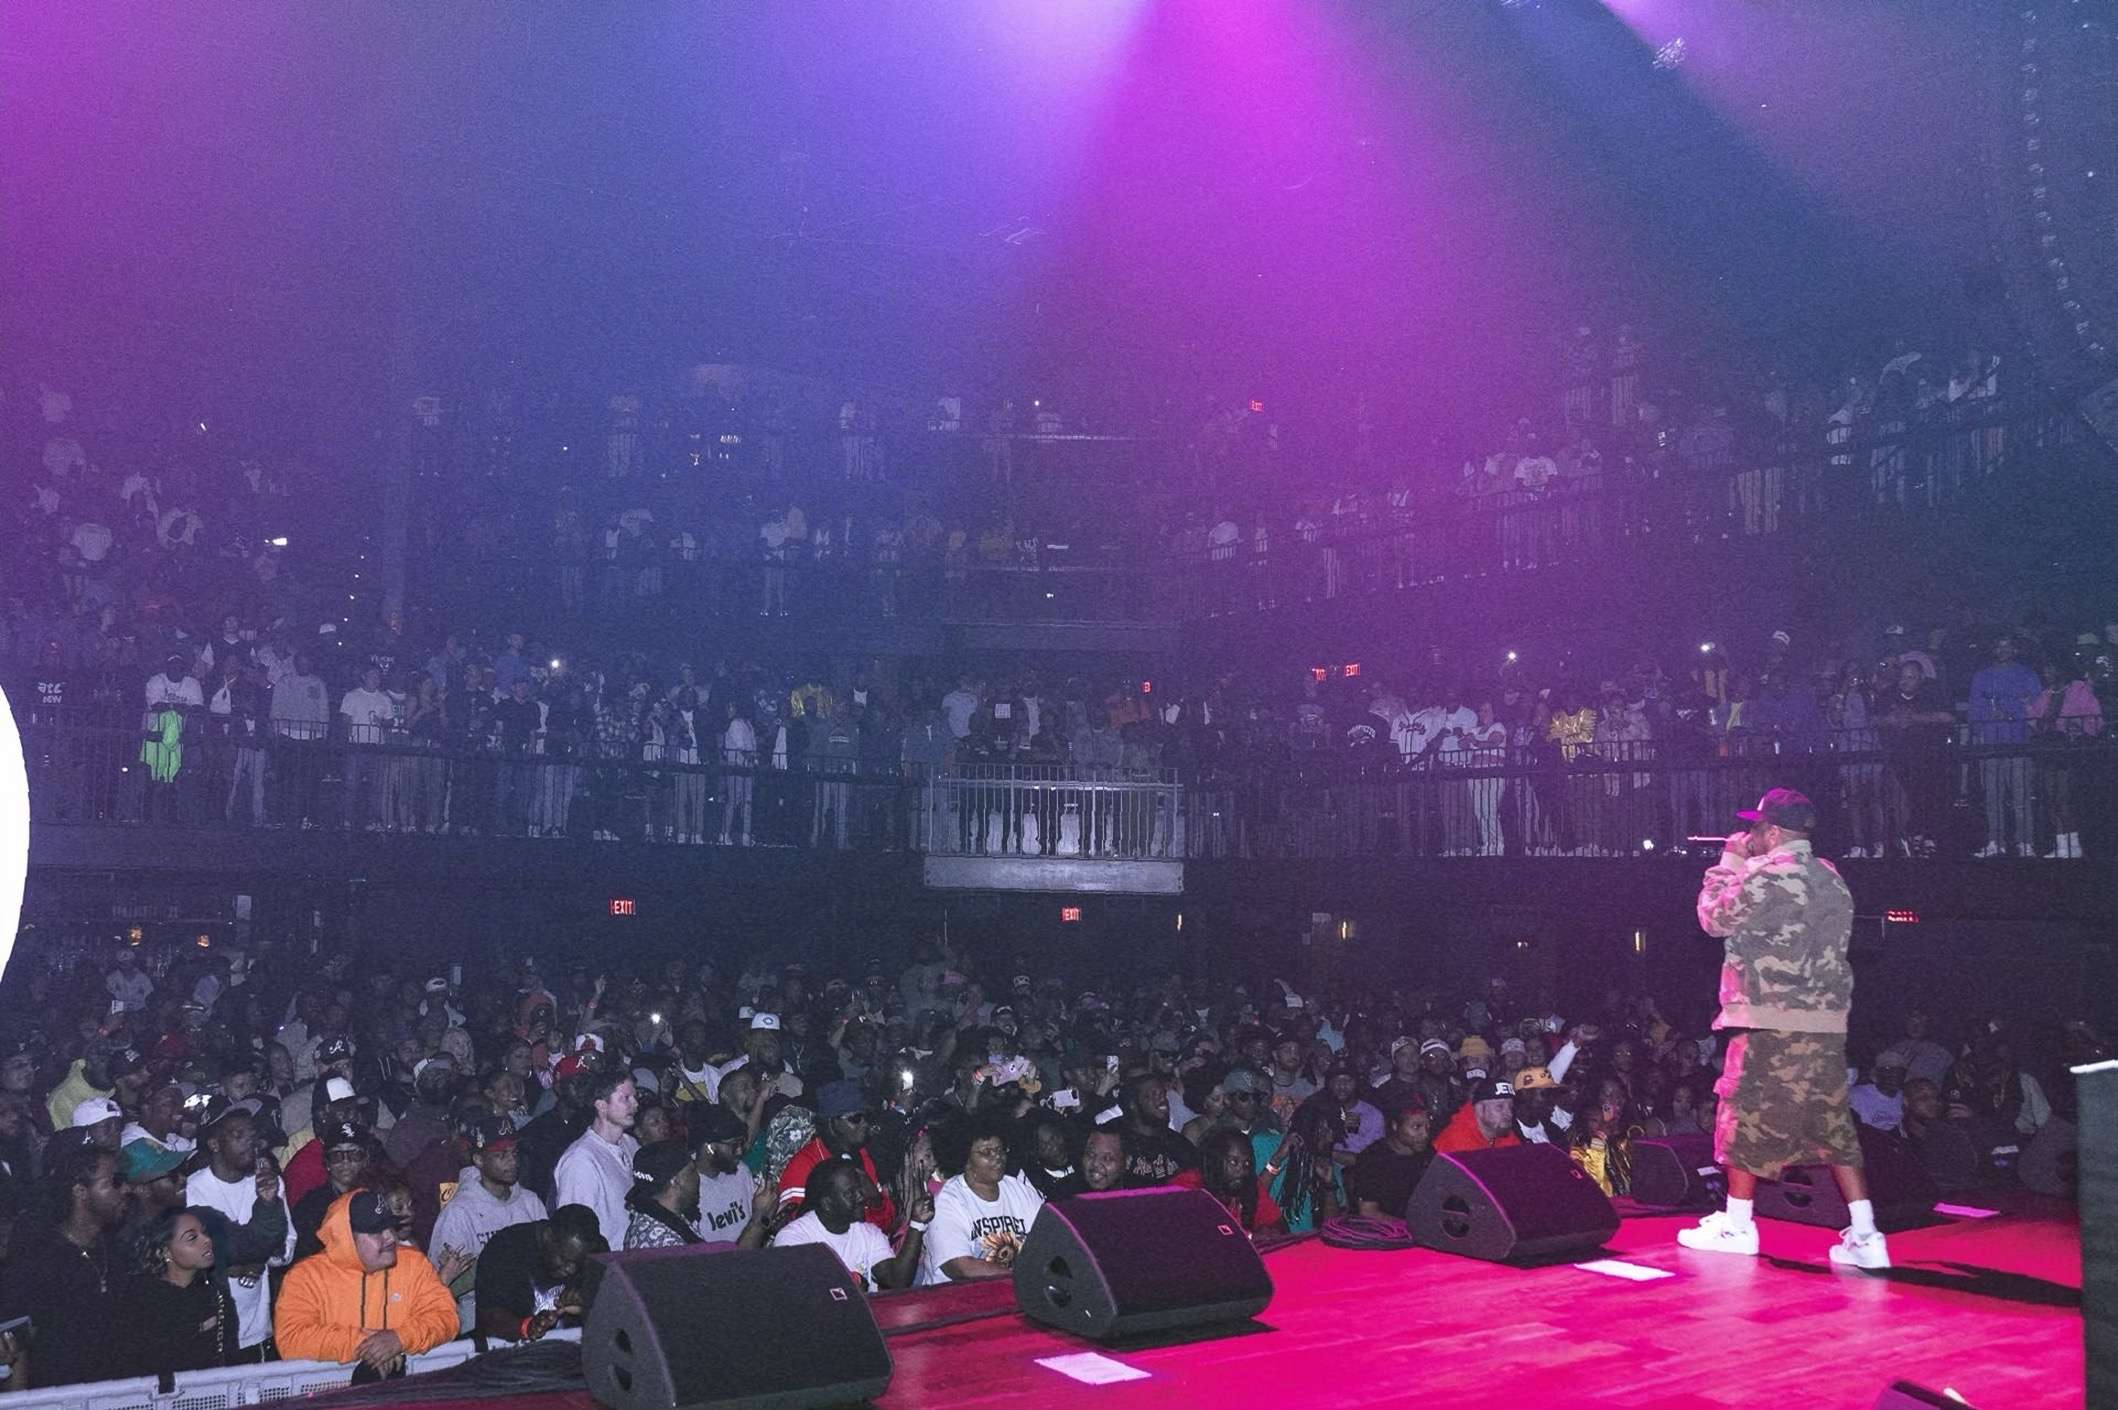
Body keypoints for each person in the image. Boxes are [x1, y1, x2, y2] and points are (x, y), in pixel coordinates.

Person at [1680, 788, 1886, 1269]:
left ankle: (1737, 1225)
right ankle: (1866, 1235)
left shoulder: (1767, 876)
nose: (1749, 834)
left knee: (1743, 1114)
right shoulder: (1831, 877)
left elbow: (1712, 918)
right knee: (1833, 1125)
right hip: (1825, 1025)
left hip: (1769, 1020)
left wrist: (1729, 862)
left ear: (1772, 832)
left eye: (1755, 828)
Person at [274, 1188, 460, 1372]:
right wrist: (364, 1344)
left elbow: (446, 1317)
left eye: (390, 1226)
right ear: (347, 1239)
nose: (390, 1237)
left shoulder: (414, 1264)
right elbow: (291, 1340)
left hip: (406, 1386)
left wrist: (400, 1339)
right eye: (376, 1231)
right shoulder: (306, 1277)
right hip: (331, 1388)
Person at [0, 1140, 125, 1388]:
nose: (125, 1189)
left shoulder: (116, 1250)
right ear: (81, 1192)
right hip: (58, 1395)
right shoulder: (39, 1261)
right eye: (114, 1182)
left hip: (116, 1391)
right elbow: (17, 1344)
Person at [184, 1100, 293, 1361]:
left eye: (252, 1136)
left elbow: (287, 1247)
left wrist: (261, 1257)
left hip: (257, 1325)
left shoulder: (269, 1182)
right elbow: (193, 1257)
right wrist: (233, 1265)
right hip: (213, 1326)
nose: (250, 1143)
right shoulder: (195, 1187)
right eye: (238, 1136)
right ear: (215, 1144)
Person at [429, 1116, 547, 1331]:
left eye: (514, 1153)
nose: (512, 1162)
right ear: (479, 1160)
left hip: (531, 1312)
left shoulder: (530, 1202)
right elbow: (438, 1286)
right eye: (501, 1155)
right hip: (476, 1320)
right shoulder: (459, 1213)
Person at [917, 1114, 1045, 1284]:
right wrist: (1023, 1279)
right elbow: (961, 1267)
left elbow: (1048, 1240)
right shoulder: (948, 1201)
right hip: (961, 1295)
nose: (997, 1157)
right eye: (986, 1152)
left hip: (1016, 1288)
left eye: (1000, 1149)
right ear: (965, 1159)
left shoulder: (1019, 1190)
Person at [773, 1155, 928, 1292]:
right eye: (850, 1194)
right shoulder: (794, 1239)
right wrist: (849, 1289)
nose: (861, 1197)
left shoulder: (868, 1232)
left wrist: (917, 1224)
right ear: (827, 1203)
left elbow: (897, 1280)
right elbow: (806, 1296)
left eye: (859, 1190)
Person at [121, 1207, 238, 1377]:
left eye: (204, 1233)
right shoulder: (141, 1300)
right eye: (192, 1238)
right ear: (166, 1252)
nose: (207, 1240)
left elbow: (230, 1362)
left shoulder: (216, 1297)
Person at [777, 1080, 899, 1231]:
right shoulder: (805, 1165)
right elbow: (795, 1231)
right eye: (855, 1119)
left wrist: (876, 1200)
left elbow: (885, 1225)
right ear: (831, 1123)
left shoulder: (862, 1156)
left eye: (867, 1117)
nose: (865, 1124)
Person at [472, 1204, 605, 1343]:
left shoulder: (597, 1251)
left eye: (578, 1263)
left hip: (575, 1347)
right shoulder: (506, 1248)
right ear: (548, 1236)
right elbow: (490, 1316)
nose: (571, 1270)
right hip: (510, 1349)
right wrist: (526, 1327)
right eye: (564, 1260)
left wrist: (586, 1302)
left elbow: (609, 1308)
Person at [552, 1070, 639, 1249]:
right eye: (626, 1098)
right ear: (601, 1106)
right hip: (607, 1261)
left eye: (634, 1097)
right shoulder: (581, 1160)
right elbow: (574, 1232)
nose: (635, 1104)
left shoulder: (631, 1145)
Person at [1178, 1126, 1285, 1236]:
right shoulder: (1186, 1188)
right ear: (1215, 1161)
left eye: (1247, 1164)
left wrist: (1268, 1231)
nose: (1241, 1171)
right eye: (1233, 1162)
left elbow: (1276, 1222)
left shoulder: (1248, 1183)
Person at [1349, 1101, 1434, 1217]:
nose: (1425, 1134)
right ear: (1395, 1126)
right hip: (1386, 1226)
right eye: (1416, 1127)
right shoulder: (1374, 1159)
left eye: (1428, 1127)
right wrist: (1409, 1226)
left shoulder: (1429, 1155)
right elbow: (1368, 1212)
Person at [1433, 1076, 1522, 1153]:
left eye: (1510, 1107)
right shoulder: (1457, 1140)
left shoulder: (1501, 1131)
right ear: (1480, 1110)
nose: (1509, 1113)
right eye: (1499, 1107)